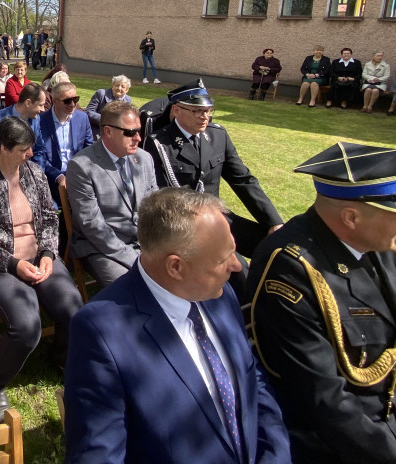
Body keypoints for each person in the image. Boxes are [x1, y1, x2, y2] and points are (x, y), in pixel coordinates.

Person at [248, 142, 396, 464]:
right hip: (334, 446)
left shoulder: (378, 244)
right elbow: (322, 399)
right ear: (351, 216)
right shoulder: (291, 268)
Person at [64, 187, 290, 464]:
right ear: (176, 267)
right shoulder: (101, 333)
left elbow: (251, 377)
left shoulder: (220, 293)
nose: (237, 266)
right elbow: (98, 454)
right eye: (222, 259)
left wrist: (275, 455)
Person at [0, 116, 84, 423]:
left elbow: (50, 217)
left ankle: (61, 358)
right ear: (4, 148)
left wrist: (46, 253)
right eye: (24, 149)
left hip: (38, 257)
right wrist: (13, 264)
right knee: (26, 324)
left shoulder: (34, 173)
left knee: (73, 309)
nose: (30, 154)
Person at [143, 80, 282, 259]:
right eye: (197, 111)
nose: (205, 116)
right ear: (176, 111)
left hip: (217, 216)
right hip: (185, 224)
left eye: (208, 110)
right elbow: (161, 196)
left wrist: (273, 221)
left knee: (276, 247)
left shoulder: (217, 135)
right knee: (237, 269)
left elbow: (242, 179)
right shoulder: (159, 143)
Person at [66, 101, 157, 288]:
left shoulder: (144, 159)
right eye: (130, 132)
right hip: (101, 248)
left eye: (139, 131)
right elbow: (92, 225)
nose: (138, 138)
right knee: (130, 289)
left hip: (145, 242)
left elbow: (155, 206)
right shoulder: (82, 166)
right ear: (108, 131)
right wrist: (135, 259)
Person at [35, 81, 93, 200]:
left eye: (75, 99)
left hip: (78, 174)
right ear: (55, 101)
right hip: (50, 177)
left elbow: (89, 149)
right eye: (67, 101)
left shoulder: (82, 118)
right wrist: (58, 176)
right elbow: (38, 156)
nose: (73, 104)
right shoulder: (39, 122)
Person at [0, 81, 46, 165]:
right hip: (2, 174)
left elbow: (39, 150)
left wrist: (37, 174)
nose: (43, 110)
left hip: (30, 173)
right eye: (41, 105)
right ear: (28, 103)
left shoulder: (35, 119)